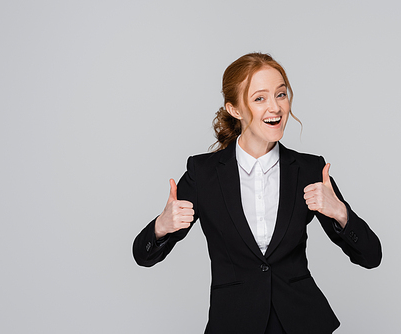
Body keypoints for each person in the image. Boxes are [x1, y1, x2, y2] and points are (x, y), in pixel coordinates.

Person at [133, 52, 382, 334]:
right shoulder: (204, 174)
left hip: (302, 323)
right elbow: (142, 255)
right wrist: (160, 227)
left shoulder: (310, 170)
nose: (275, 108)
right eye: (260, 98)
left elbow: (371, 256)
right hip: (233, 323)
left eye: (281, 94)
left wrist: (340, 213)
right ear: (235, 109)